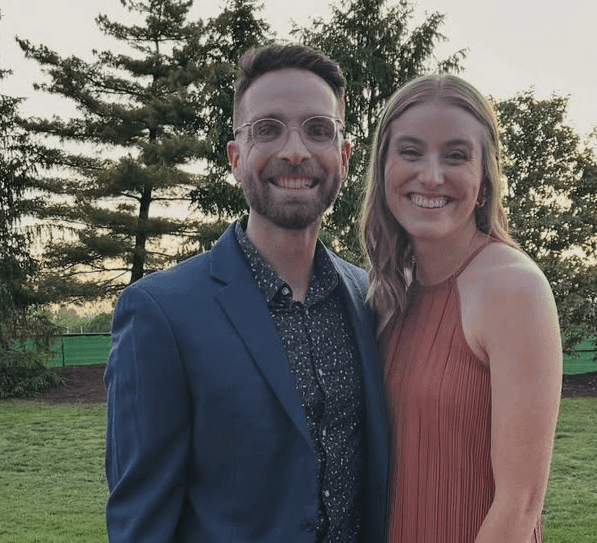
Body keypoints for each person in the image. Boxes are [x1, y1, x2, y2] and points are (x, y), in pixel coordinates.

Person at [103, 44, 391, 543]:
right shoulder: (161, 314)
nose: (295, 151)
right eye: (268, 129)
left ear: (343, 157)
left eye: (318, 130)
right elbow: (141, 523)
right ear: (236, 159)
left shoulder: (372, 300)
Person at [360, 73, 562, 543]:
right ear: (383, 167)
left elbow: (519, 503)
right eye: (411, 152)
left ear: (484, 176)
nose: (432, 176)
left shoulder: (514, 288)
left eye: (456, 156)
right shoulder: (384, 290)